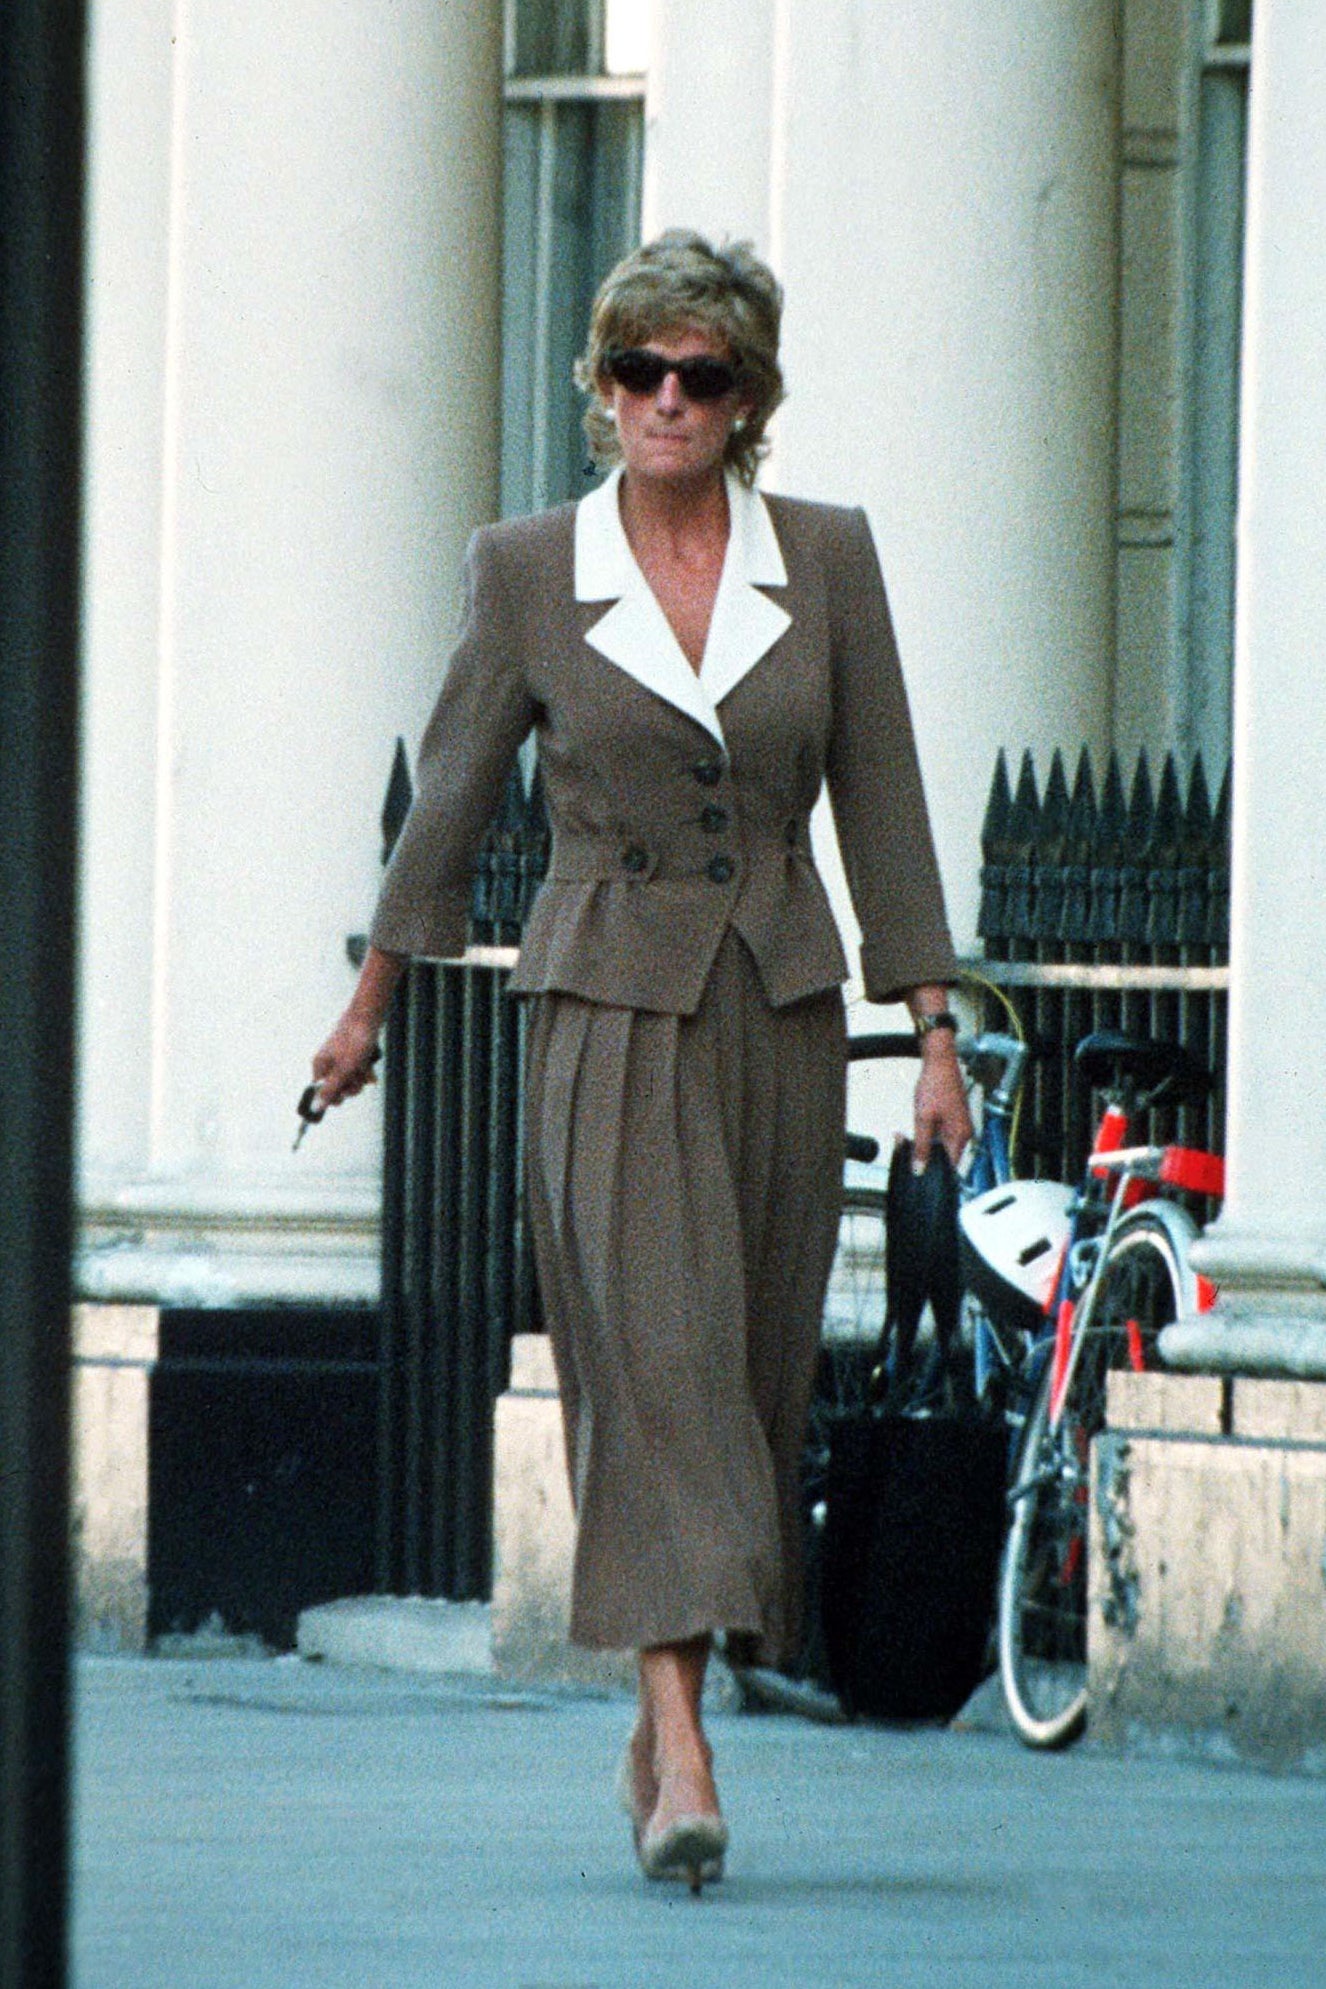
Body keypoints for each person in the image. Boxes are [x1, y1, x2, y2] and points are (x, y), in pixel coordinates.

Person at [311, 230, 971, 1891]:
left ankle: (660, 1698)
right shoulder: (533, 566)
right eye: (638, 371)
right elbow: (451, 793)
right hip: (602, 1006)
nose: (666, 400)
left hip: (778, 1004)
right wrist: (370, 1003)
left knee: (746, 1371)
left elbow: (880, 801)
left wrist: (936, 1032)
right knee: (653, 1366)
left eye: (703, 374)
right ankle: (681, 1750)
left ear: (746, 401)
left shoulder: (822, 558)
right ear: (600, 391)